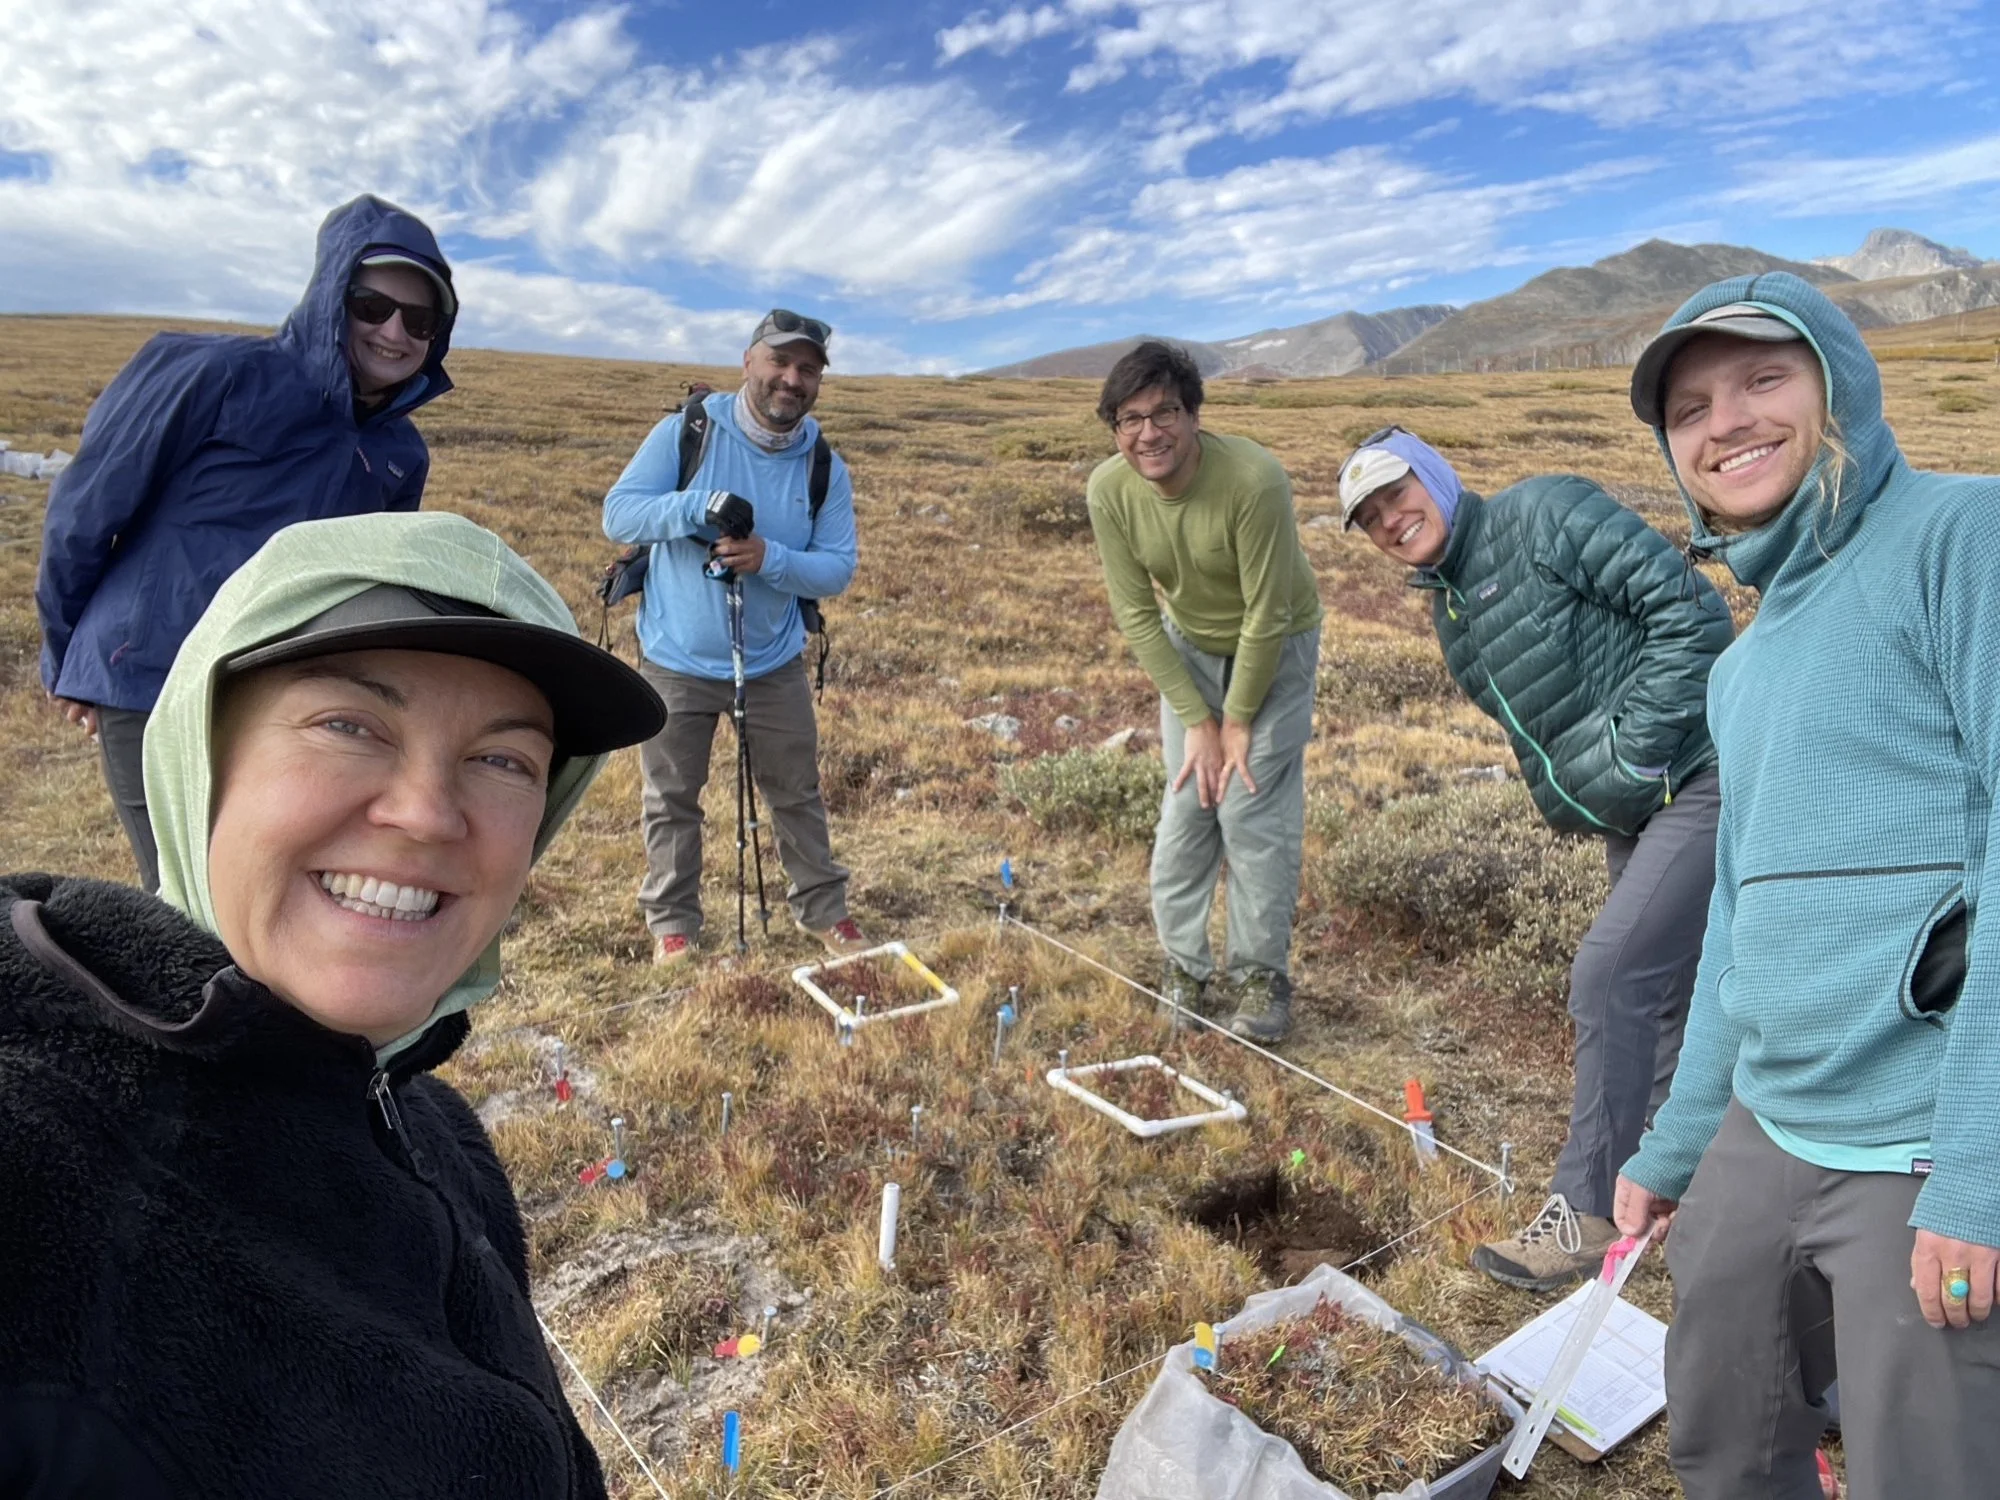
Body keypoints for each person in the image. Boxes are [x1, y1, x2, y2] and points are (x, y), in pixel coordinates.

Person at [0, 510, 664, 1496]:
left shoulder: (435, 1130)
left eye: (504, 759)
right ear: (201, 751)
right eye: (350, 726)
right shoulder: (33, 1165)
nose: (428, 813)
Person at [1614, 274, 2000, 1498]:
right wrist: (1676, 1143)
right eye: (1688, 409)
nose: (1723, 422)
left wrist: (1979, 1173)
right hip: (1765, 1117)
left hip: (1921, 1137)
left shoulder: (1963, 536)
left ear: (1839, 383)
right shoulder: (1739, 667)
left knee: (1922, 1469)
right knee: (1718, 1435)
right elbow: (1737, 915)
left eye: (1761, 379)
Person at [1341, 427, 1733, 1291]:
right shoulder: (1451, 609)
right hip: (1636, 805)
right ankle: (1672, 1189)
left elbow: (1692, 615)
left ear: (1437, 475)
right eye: (1370, 518)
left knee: (1608, 975)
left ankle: (1583, 1212)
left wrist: (1633, 749)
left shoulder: (1544, 512)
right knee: (1663, 996)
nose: (1390, 520)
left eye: (1397, 494)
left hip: (1701, 770)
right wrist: (1612, 781)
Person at [36, 193, 457, 892]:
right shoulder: (212, 374)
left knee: (264, 888)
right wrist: (69, 663)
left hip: (278, 695)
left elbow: (367, 588)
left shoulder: (400, 453)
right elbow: (85, 511)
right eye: (372, 306)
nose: (394, 332)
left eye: (419, 320)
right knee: (185, 892)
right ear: (332, 298)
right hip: (151, 677)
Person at [603, 309, 865, 967]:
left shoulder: (824, 465)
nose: (792, 379)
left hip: (773, 660)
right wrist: (698, 505)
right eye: (780, 361)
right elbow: (621, 514)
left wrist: (768, 558)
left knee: (796, 790)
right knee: (670, 797)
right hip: (675, 657)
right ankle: (673, 923)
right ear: (749, 361)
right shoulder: (686, 432)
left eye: (808, 369)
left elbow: (837, 567)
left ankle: (823, 909)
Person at [1086, 341, 1323, 1043]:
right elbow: (1135, 612)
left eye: (1164, 413)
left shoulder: (1254, 480)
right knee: (1189, 805)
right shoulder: (1109, 491)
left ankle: (1261, 976)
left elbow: (1267, 611)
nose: (1148, 434)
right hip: (1188, 646)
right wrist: (1197, 719)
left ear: (1193, 415)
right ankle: (1183, 968)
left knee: (1251, 812)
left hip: (1276, 646)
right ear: (1115, 429)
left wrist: (1238, 719)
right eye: (1130, 420)